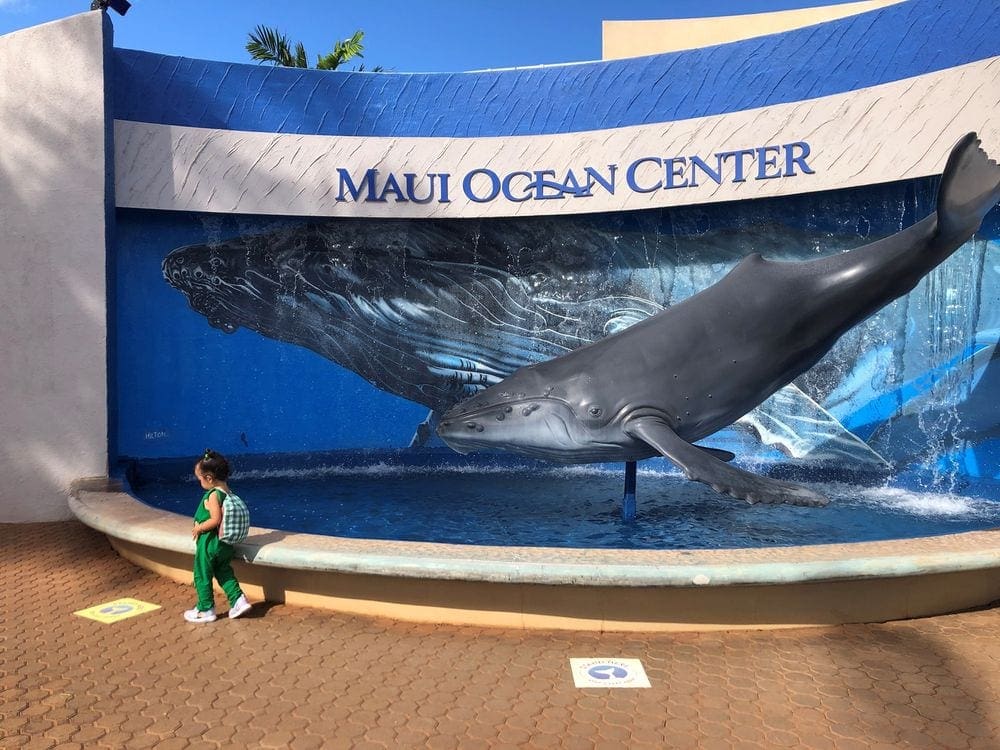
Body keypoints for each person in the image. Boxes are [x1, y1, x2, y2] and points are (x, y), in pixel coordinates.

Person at [185, 449, 252, 623]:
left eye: (199, 478)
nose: (199, 482)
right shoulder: (229, 494)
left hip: (209, 543)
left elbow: (215, 520)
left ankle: (205, 609)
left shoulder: (214, 495)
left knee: (202, 575)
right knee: (223, 571)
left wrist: (199, 528)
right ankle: (238, 600)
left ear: (209, 478)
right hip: (224, 545)